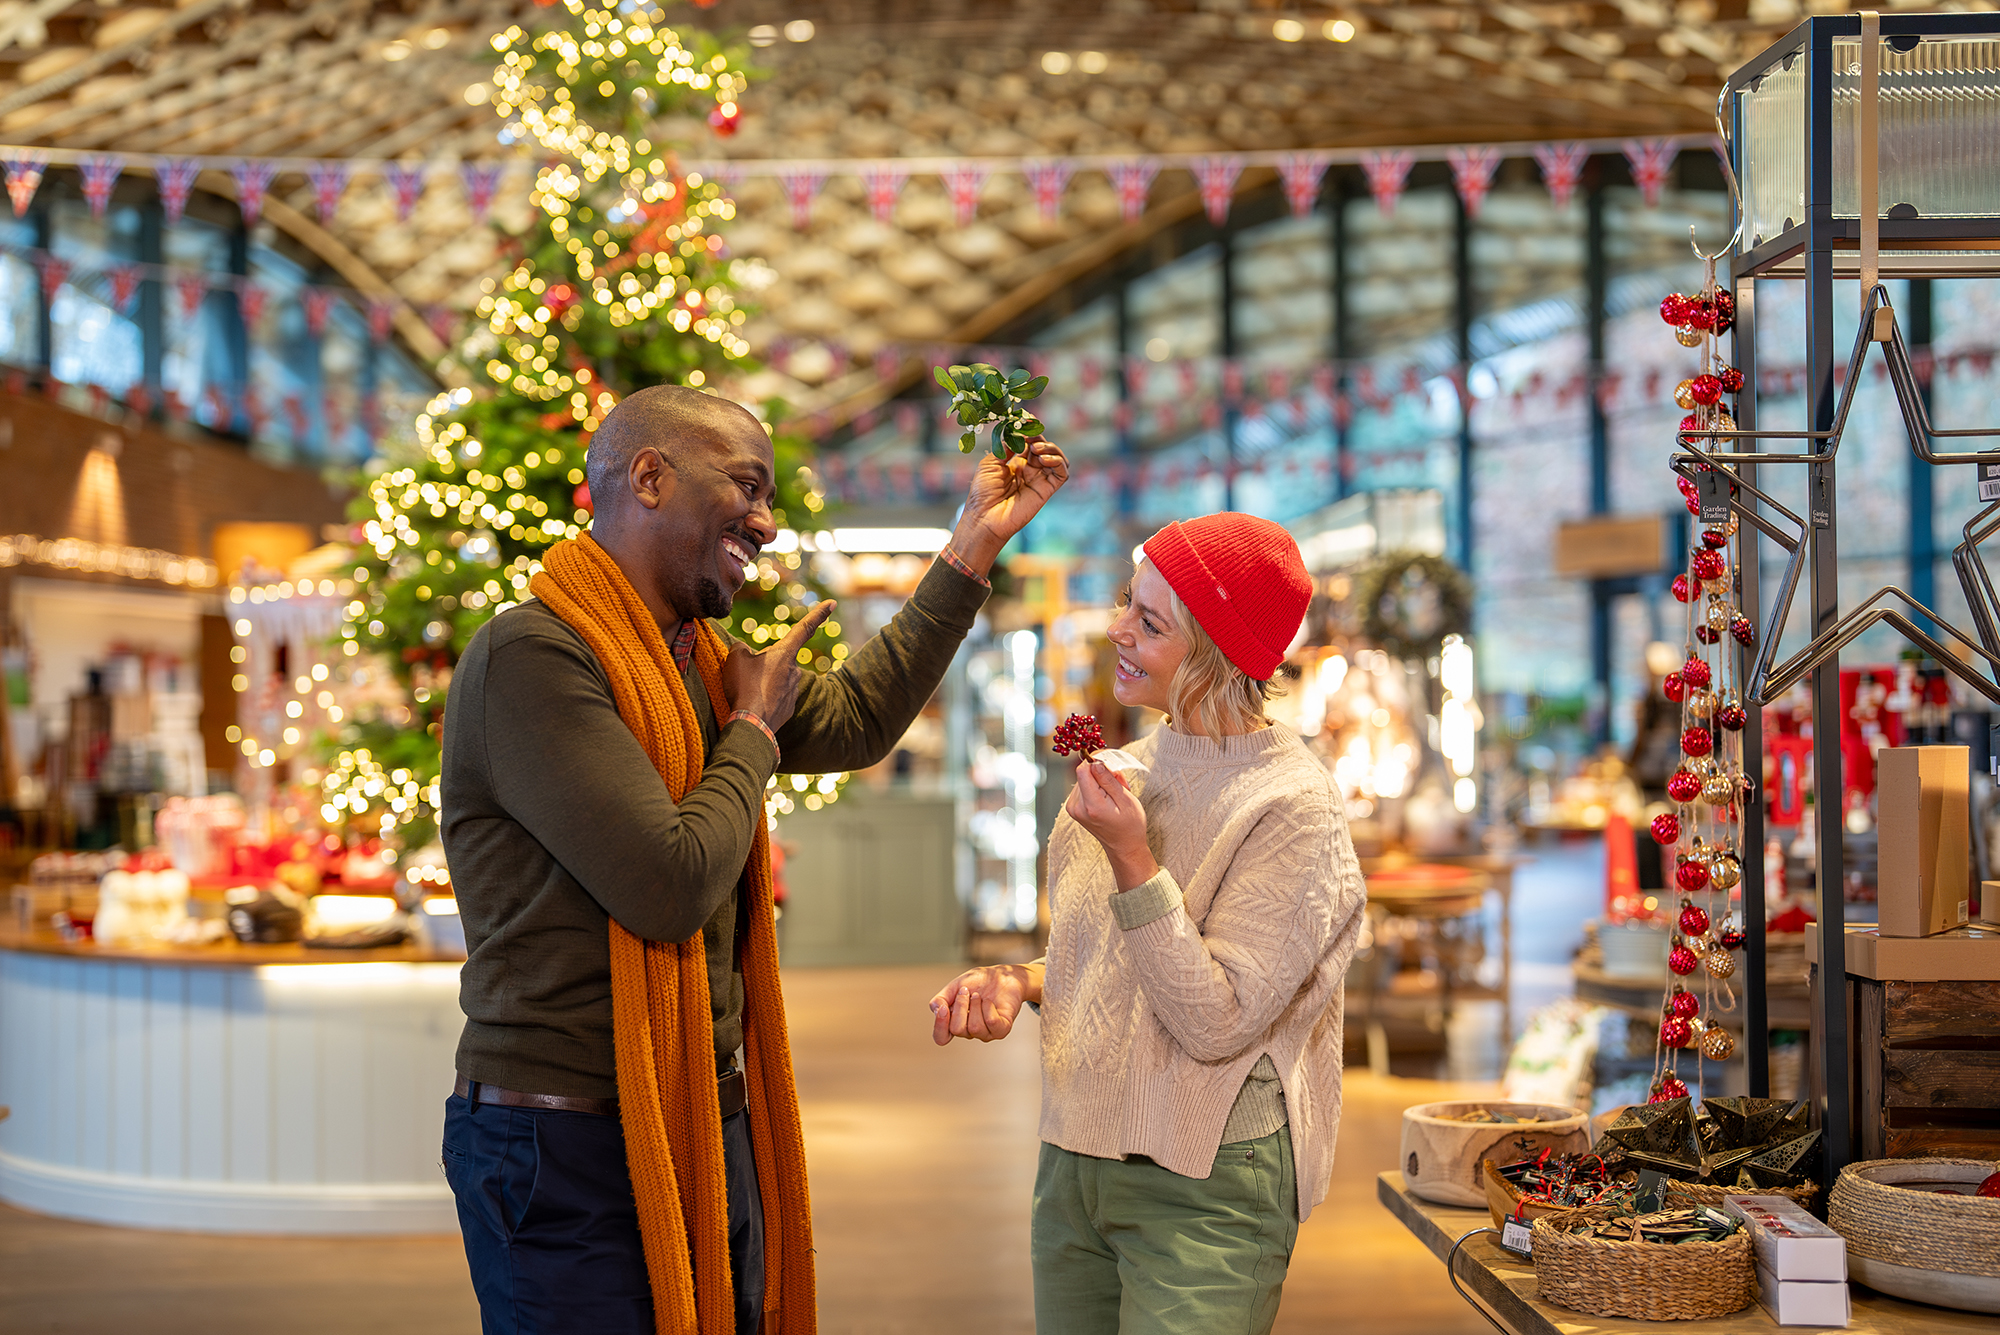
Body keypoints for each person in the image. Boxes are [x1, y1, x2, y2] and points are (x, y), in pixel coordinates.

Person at [441, 384, 1068, 1335]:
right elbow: (668, 883)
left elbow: (860, 715)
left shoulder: (692, 658)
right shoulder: (534, 657)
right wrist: (752, 732)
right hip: (564, 1135)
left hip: (702, 1107)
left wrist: (974, 540)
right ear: (648, 476)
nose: (768, 523)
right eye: (747, 486)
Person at [930, 512, 1366, 1335]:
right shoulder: (1118, 775)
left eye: (1150, 621)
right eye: (1129, 601)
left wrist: (1136, 858)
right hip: (1073, 1164)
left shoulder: (1294, 808)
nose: (1116, 628)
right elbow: (1104, 959)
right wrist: (1022, 979)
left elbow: (1216, 1018)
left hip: (1207, 1182)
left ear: (1216, 653)